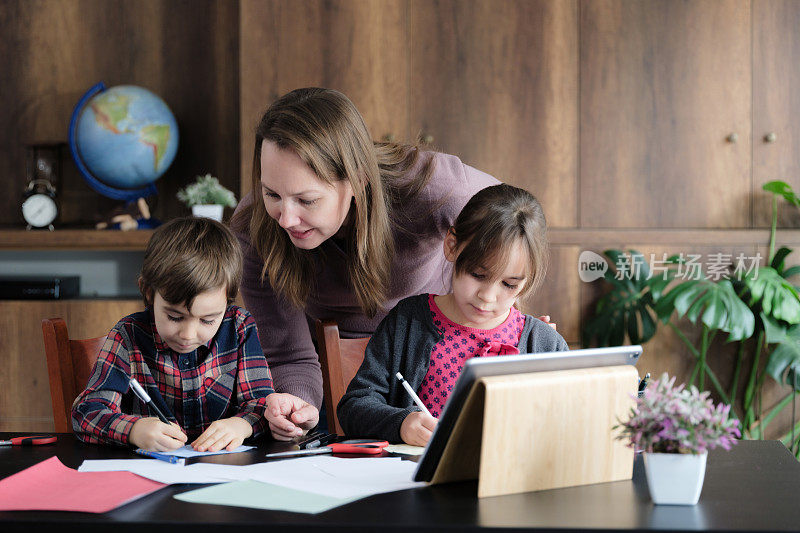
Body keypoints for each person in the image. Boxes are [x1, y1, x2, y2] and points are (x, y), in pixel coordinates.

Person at [230, 87, 502, 432]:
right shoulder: (254, 227)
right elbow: (289, 354)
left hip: (437, 357)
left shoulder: (434, 187)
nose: (285, 219)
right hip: (329, 376)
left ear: (356, 180)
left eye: (307, 200)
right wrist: (297, 407)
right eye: (272, 194)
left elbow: (512, 224)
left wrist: (503, 318)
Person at [337, 184, 568, 445]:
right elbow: (353, 407)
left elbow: (569, 425)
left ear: (528, 280)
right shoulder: (408, 321)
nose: (488, 297)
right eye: (478, 275)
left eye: (509, 284)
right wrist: (401, 424)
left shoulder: (545, 344)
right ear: (451, 246)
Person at [71, 217, 318, 452]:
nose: (188, 335)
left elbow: (262, 405)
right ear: (148, 292)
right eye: (175, 317)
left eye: (208, 320)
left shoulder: (239, 327)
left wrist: (241, 425)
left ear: (227, 302)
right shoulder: (128, 336)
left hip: (224, 474)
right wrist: (134, 430)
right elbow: (86, 413)